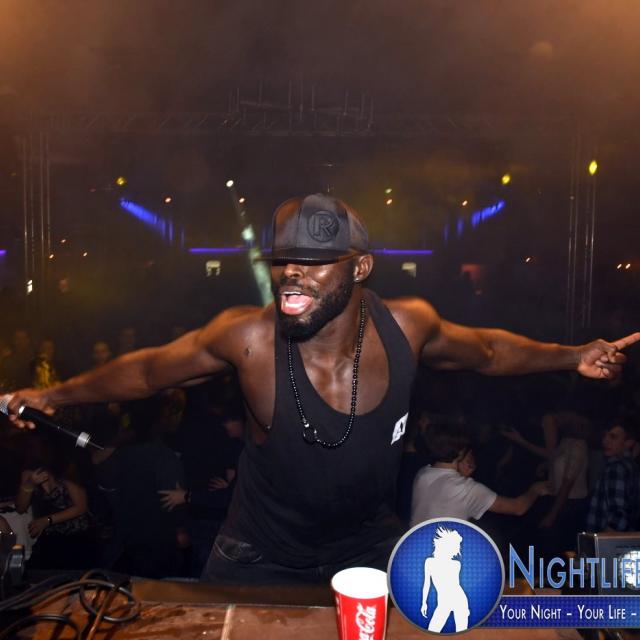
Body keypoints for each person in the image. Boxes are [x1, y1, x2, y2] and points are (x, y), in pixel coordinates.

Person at [6, 193, 640, 584]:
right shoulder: (250, 340)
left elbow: (490, 351)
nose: (291, 275)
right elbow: (148, 372)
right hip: (257, 555)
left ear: (360, 268)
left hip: (366, 547)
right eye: (283, 261)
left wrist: (573, 355)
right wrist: (53, 396)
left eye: (312, 263)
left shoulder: (408, 326)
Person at [410, 421, 549, 526]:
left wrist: (461, 476)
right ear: (460, 453)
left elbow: (446, 498)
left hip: (415, 548)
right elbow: (518, 508)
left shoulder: (422, 474)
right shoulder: (467, 489)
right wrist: (535, 489)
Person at [586, 419, 640, 532]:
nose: (605, 441)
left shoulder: (615, 468)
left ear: (629, 442)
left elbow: (618, 517)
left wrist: (602, 540)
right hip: (628, 538)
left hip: (609, 540)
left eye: (613, 437)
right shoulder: (631, 465)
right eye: (604, 435)